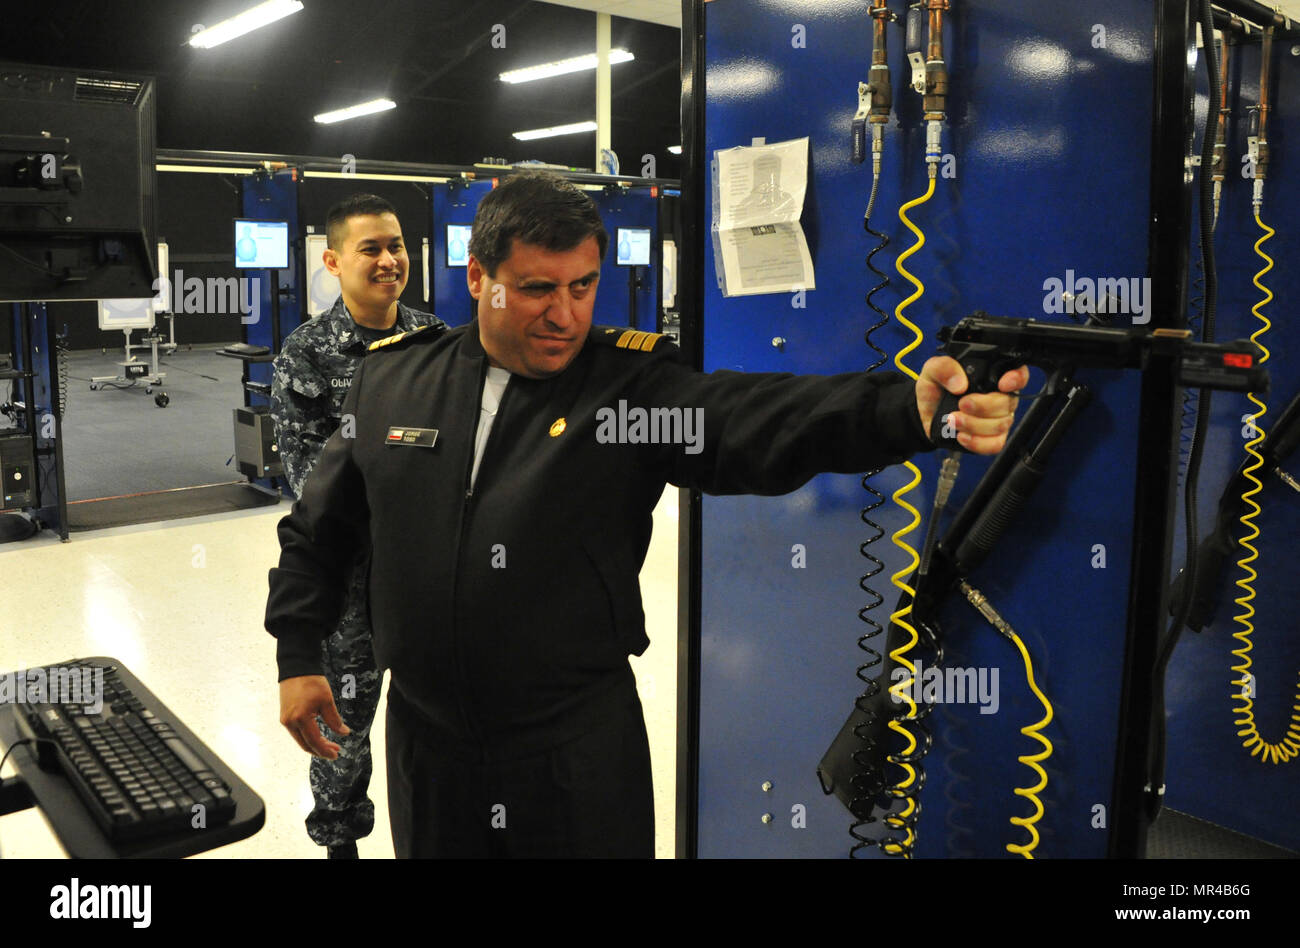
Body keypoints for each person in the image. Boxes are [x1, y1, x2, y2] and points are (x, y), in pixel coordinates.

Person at [266, 170, 1027, 858]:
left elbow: (746, 418)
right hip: (427, 749)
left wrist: (904, 412)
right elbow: (318, 529)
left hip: (572, 755)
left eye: (583, 286)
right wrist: (298, 654)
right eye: (536, 289)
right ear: (479, 278)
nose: (564, 314)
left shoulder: (625, 398)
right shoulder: (394, 381)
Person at [269, 193, 445, 858]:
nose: (389, 260)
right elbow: (312, 485)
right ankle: (340, 841)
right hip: (349, 583)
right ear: (333, 261)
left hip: (428, 569)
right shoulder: (307, 355)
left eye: (396, 245)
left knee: (436, 712)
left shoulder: (436, 341)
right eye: (371, 248)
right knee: (345, 728)